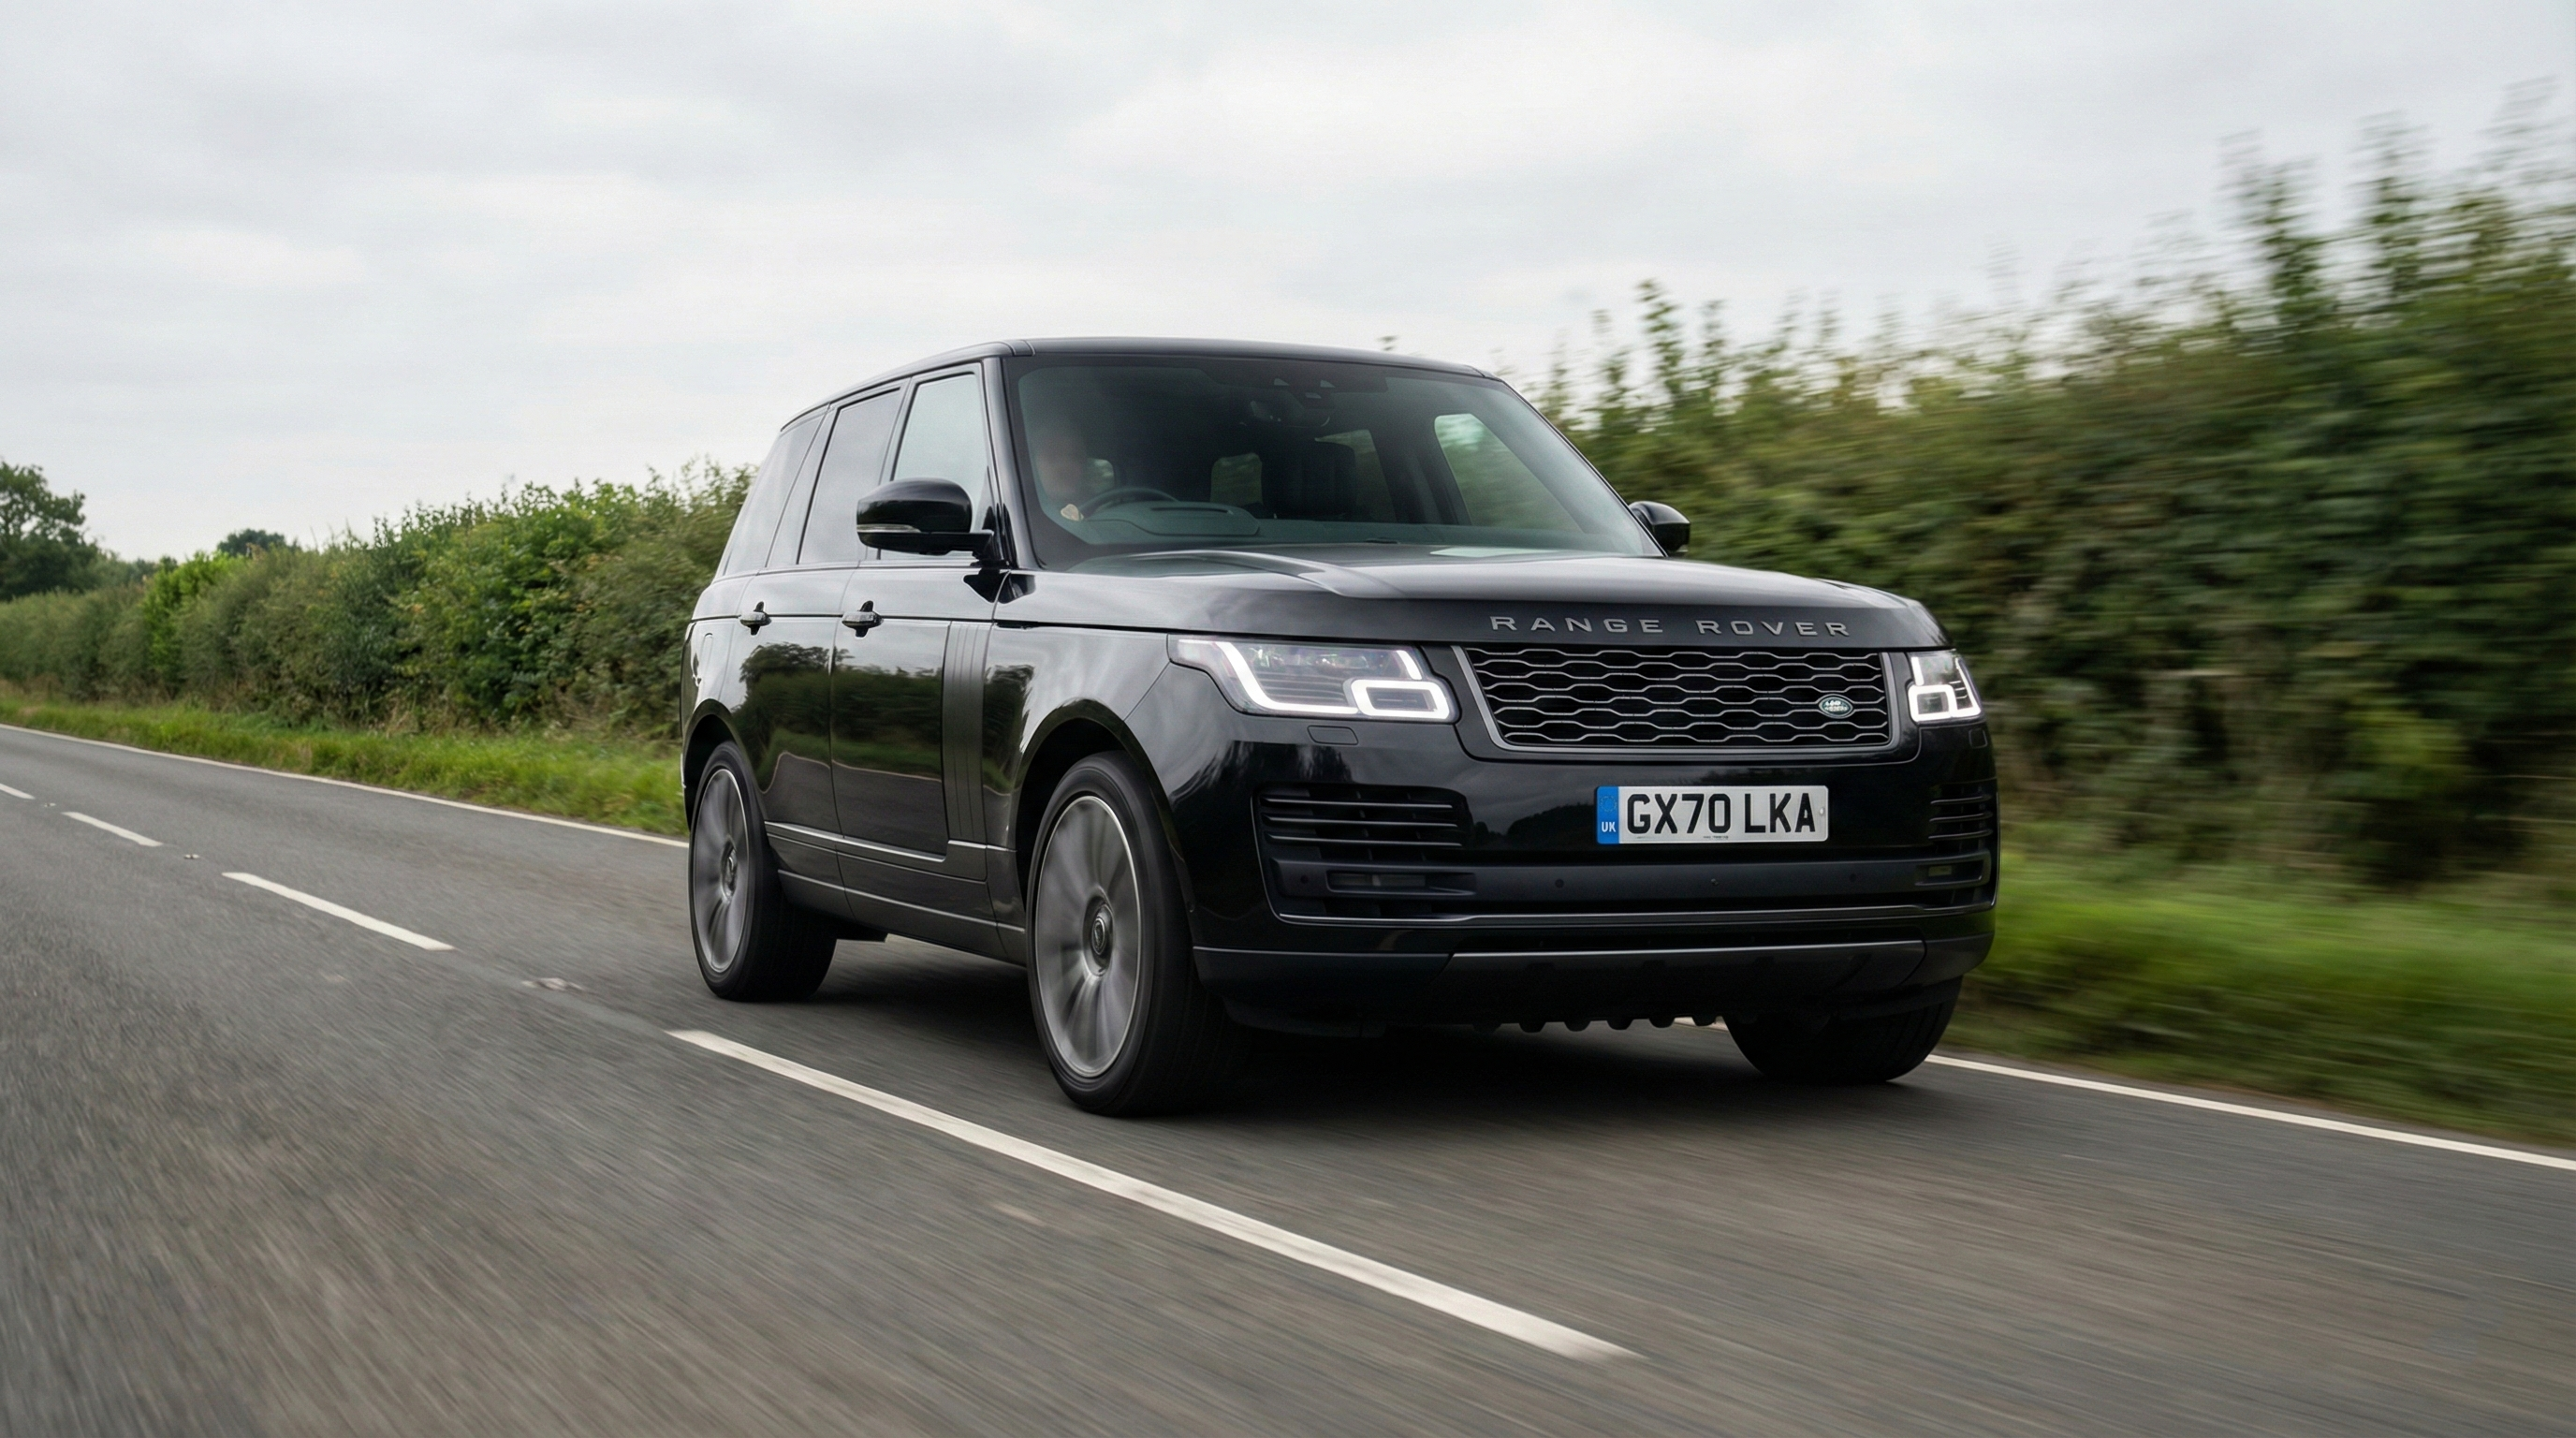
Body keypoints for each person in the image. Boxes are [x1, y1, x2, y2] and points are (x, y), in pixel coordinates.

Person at [1029, 413, 1103, 521]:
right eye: (1052, 455)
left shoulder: (1103, 513)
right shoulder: (1022, 519)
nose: (1066, 465)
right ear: (1032, 464)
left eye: (1075, 456)